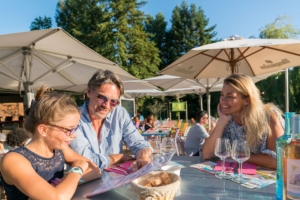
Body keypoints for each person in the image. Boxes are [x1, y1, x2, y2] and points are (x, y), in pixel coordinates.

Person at [0, 92, 101, 200]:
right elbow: (57, 198)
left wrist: (65, 184)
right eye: (69, 129)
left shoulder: (59, 149)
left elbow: (95, 170)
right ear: (43, 130)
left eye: (76, 128)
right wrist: (77, 170)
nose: (74, 135)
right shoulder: (14, 160)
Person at [70, 70, 152, 171]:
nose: (107, 105)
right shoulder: (73, 118)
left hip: (117, 180)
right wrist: (117, 158)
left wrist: (143, 156)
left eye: (113, 101)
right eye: (101, 98)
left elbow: (139, 143)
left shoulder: (119, 113)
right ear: (89, 92)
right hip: (86, 183)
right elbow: (85, 160)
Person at [202, 74, 284, 169]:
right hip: (237, 178)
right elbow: (207, 154)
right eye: (222, 94)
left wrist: (239, 155)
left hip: (270, 181)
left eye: (230, 96)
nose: (222, 100)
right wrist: (221, 121)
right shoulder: (228, 121)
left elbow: (279, 160)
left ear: (247, 101)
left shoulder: (269, 118)